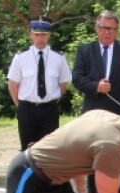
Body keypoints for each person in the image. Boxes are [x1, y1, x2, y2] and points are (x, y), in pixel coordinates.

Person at [72, 10, 120, 193]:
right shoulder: (85, 50)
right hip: (93, 114)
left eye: (112, 29)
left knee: (118, 158)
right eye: (104, 28)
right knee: (93, 155)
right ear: (97, 28)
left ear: (117, 30)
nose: (107, 32)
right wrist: (96, 86)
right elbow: (77, 79)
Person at [6, 16, 72, 151]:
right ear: (31, 35)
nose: (40, 39)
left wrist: (51, 101)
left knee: (50, 150)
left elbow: (63, 84)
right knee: (27, 150)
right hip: (27, 109)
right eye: (37, 35)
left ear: (49, 35)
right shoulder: (20, 57)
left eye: (43, 35)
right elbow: (12, 84)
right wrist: (21, 106)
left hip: (49, 110)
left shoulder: (58, 57)